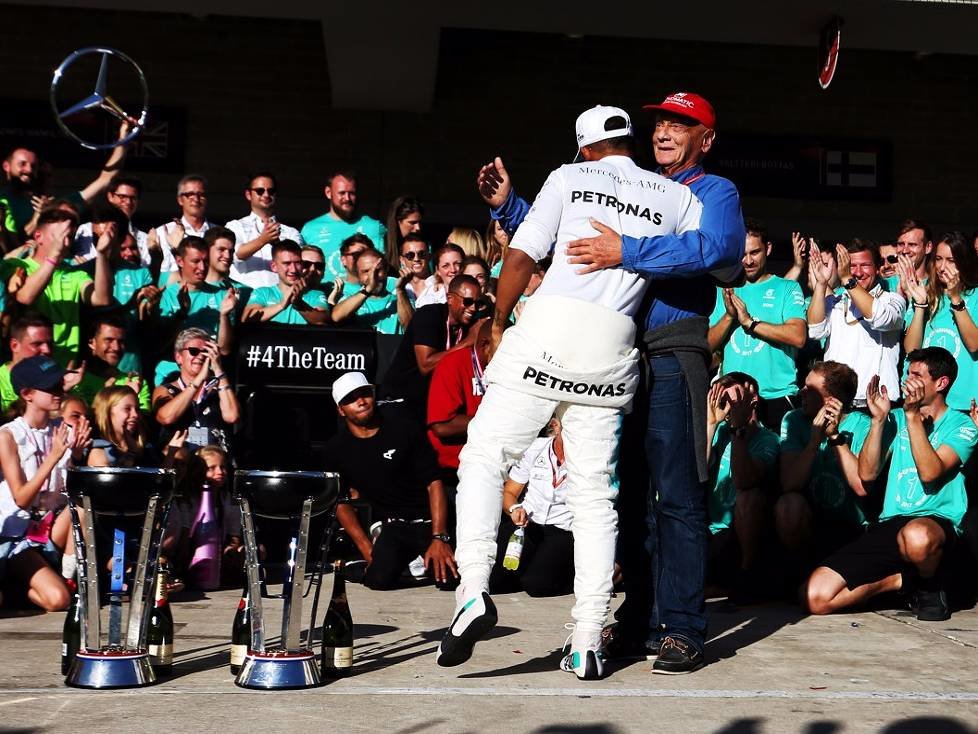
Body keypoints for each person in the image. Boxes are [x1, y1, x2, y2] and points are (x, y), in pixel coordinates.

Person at [437, 104, 710, 681]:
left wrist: (500, 317)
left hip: (553, 325)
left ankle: (473, 590)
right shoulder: (678, 198)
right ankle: (586, 639)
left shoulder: (568, 175)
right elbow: (706, 258)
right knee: (594, 496)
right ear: (630, 143)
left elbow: (522, 254)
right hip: (614, 343)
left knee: (485, 457)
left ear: (585, 147)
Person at [807, 348, 978, 622]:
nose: (907, 381)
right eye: (907, 373)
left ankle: (930, 585)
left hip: (935, 524)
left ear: (941, 383)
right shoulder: (895, 417)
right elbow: (867, 475)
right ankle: (900, 581)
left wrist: (912, 418)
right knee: (817, 596)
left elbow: (930, 472)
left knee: (917, 536)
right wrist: (877, 421)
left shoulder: (962, 425)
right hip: (891, 524)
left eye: (916, 375)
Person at [325, 372, 457, 591]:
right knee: (378, 580)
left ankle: (417, 564)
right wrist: (367, 550)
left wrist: (439, 537)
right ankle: (369, 564)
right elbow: (339, 501)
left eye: (364, 393)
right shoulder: (335, 450)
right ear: (341, 409)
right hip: (394, 527)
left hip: (432, 522)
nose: (360, 401)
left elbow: (434, 483)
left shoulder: (405, 430)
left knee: (450, 579)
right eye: (350, 399)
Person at [0, 356, 91, 611]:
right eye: (50, 387)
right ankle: (17, 585)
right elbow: (21, 498)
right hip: (17, 534)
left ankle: (69, 577)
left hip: (51, 526)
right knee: (57, 600)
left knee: (83, 507)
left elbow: (69, 490)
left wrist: (75, 457)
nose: (58, 392)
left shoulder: (62, 430)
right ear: (27, 394)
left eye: (59, 385)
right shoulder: (8, 436)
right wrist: (52, 457)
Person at [776, 362, 875, 576]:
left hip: (852, 525)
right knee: (788, 505)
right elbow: (789, 484)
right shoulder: (793, 420)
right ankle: (798, 574)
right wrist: (813, 442)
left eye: (809, 389)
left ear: (831, 401)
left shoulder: (863, 425)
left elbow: (860, 486)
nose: (801, 391)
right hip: (811, 521)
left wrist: (834, 437)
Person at [709, 218, 806, 430]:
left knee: (779, 462)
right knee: (731, 463)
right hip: (733, 398)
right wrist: (728, 316)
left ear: (768, 248)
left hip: (778, 397)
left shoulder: (787, 288)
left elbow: (798, 337)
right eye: (742, 254)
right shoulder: (723, 291)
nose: (748, 260)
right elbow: (708, 346)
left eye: (755, 253)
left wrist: (750, 323)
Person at [4, 208, 112, 364]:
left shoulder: (74, 273)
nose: (66, 243)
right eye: (60, 236)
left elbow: (101, 299)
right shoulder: (16, 265)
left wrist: (102, 255)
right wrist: (53, 256)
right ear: (38, 236)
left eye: (69, 237)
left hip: (65, 369)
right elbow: (25, 297)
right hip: (29, 368)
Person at [705, 372, 779, 601]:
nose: (726, 410)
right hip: (706, 532)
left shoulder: (769, 439)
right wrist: (710, 425)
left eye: (732, 402)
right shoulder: (717, 433)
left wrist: (739, 431)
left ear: (752, 401)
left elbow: (744, 480)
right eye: (721, 402)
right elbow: (693, 476)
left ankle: (746, 577)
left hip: (735, 534)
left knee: (749, 496)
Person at [807, 239, 906, 407]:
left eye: (865, 265)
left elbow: (880, 318)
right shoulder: (838, 301)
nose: (858, 273)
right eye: (852, 266)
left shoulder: (893, 300)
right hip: (836, 401)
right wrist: (821, 284)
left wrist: (847, 278)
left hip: (877, 404)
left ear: (877, 268)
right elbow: (815, 331)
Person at [489, 418, 574, 598]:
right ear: (556, 426)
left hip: (564, 529)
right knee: (492, 580)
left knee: (537, 586)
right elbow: (509, 492)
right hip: (527, 525)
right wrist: (514, 509)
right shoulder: (536, 448)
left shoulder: (588, 458)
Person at [380, 274, 481, 423]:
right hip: (399, 401)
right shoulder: (429, 315)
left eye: (478, 304)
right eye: (467, 302)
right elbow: (426, 365)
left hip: (428, 405)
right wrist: (467, 342)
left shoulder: (469, 325)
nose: (473, 308)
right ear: (450, 299)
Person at [0, 124, 129, 240]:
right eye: (22, 164)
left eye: (34, 166)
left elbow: (106, 178)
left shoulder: (59, 206)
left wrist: (124, 136)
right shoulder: (3, 200)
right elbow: (15, 244)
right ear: (6, 166)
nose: (29, 170)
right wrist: (39, 217)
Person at [902, 231, 978, 413]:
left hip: (963, 402)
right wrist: (920, 305)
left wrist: (955, 298)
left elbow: (974, 344)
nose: (942, 267)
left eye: (951, 261)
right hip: (924, 399)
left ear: (964, 262)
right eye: (938, 259)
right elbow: (912, 349)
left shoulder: (975, 296)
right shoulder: (925, 291)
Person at [163, 445, 244, 590]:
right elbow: (183, 540)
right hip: (187, 554)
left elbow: (234, 537)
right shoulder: (188, 501)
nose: (220, 472)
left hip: (217, 556)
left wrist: (232, 550)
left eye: (223, 467)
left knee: (255, 551)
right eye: (211, 468)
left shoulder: (228, 500)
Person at [427, 319, 495, 480]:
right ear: (485, 345)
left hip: (494, 465)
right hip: (452, 468)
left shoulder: (510, 370)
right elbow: (441, 426)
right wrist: (495, 420)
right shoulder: (453, 364)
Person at [152, 329, 239, 453]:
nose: (200, 356)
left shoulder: (218, 389)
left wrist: (218, 370)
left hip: (215, 462)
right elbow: (166, 417)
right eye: (194, 351)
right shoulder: (165, 389)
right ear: (178, 357)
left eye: (205, 352)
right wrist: (198, 380)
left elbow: (232, 417)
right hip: (180, 461)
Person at [158, 236, 238, 355]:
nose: (202, 267)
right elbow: (161, 345)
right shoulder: (167, 296)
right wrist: (182, 313)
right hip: (172, 369)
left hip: (209, 368)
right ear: (180, 261)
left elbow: (224, 350)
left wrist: (224, 315)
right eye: (196, 261)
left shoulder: (222, 296)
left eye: (205, 261)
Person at [300, 170, 385, 281]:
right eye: (342, 193)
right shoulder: (310, 229)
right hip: (322, 295)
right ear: (328, 192)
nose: (347, 198)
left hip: (362, 295)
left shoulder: (373, 227)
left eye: (352, 193)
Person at [226, 172, 303, 289]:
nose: (266, 194)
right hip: (245, 296)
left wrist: (277, 244)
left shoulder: (291, 232)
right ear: (248, 195)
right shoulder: (235, 226)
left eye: (271, 191)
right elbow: (236, 255)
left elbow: (298, 264)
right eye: (260, 191)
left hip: (281, 297)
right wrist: (263, 240)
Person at [242, 240, 331, 325]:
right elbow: (246, 318)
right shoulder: (263, 293)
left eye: (298, 263)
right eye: (287, 263)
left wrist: (299, 304)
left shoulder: (315, 295)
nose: (293, 270)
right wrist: (281, 305)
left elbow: (323, 321)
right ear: (274, 266)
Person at [72, 316, 151, 410]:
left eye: (121, 341)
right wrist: (124, 394)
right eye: (109, 340)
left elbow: (142, 422)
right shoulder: (77, 382)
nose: (116, 347)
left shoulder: (136, 382)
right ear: (92, 343)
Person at [149, 174, 215, 284]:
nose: (196, 199)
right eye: (190, 194)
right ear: (180, 200)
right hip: (171, 293)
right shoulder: (163, 232)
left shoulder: (217, 233)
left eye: (201, 194)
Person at [329, 247, 411, 333]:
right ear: (358, 275)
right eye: (366, 271)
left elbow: (411, 329)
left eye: (377, 270)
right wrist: (368, 289)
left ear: (386, 269)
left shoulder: (400, 299)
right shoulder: (350, 298)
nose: (373, 276)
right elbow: (336, 317)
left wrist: (401, 291)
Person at [87, 386, 172, 468]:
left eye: (137, 409)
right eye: (127, 409)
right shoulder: (99, 451)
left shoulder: (147, 449)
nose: (136, 415)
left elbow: (159, 481)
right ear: (107, 412)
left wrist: (172, 452)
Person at [72, 177, 149, 266]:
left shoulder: (144, 238)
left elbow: (143, 270)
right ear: (110, 196)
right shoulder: (85, 229)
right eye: (122, 196)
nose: (128, 202)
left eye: (133, 198)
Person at [414, 243, 464, 308]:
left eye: (457, 264)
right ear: (438, 270)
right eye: (446, 266)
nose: (453, 270)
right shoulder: (428, 301)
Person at [383, 196, 424, 268]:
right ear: (397, 222)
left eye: (420, 223)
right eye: (412, 223)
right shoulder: (381, 246)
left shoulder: (425, 246)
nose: (418, 228)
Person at [398, 234, 432, 304]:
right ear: (402, 260)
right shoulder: (397, 288)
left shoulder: (440, 286)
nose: (416, 259)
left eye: (421, 254)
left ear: (429, 257)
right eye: (410, 255)